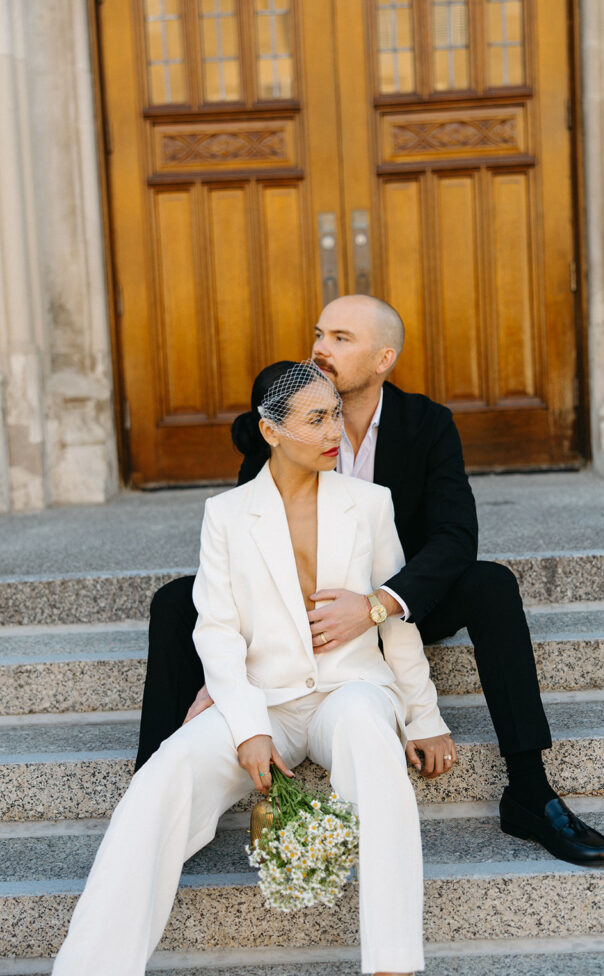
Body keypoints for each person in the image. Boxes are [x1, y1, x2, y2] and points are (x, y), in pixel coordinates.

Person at [137, 295, 604, 868]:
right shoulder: (279, 420)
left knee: (491, 585)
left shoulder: (427, 424)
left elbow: (455, 537)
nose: (320, 348)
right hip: (300, 618)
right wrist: (227, 675)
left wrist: (376, 605)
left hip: (401, 604)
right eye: (319, 333)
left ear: (383, 358)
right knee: (174, 603)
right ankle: (150, 798)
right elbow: (250, 543)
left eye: (341, 338)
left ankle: (531, 793)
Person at [53, 360, 455, 976]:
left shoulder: (371, 503)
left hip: (349, 689)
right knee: (162, 776)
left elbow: (394, 620)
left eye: (336, 414)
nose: (334, 430)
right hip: (261, 699)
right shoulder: (227, 513)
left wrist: (424, 718)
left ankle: (393, 964)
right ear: (271, 431)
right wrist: (246, 727)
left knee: (372, 741)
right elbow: (217, 632)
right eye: (315, 418)